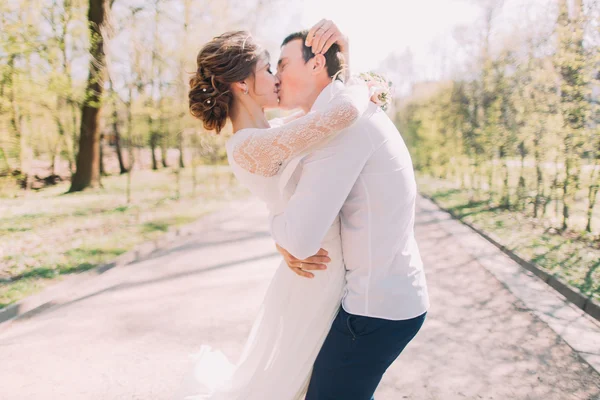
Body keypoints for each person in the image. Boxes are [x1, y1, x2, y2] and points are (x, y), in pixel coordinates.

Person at [177, 22, 377, 400]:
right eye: (268, 69)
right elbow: (342, 114)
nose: (276, 77)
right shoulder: (249, 144)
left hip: (315, 261)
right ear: (242, 85)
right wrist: (359, 79)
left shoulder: (276, 131)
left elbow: (330, 117)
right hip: (317, 271)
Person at [270, 21, 430, 400]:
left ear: (315, 64)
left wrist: (278, 232)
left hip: (375, 310)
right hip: (380, 297)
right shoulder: (336, 114)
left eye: (282, 64)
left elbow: (302, 239)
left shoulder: (343, 126)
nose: (276, 76)